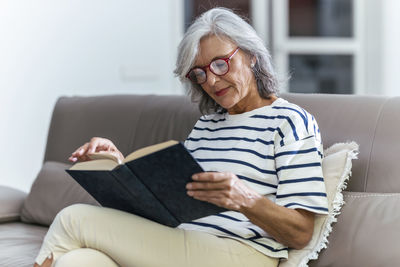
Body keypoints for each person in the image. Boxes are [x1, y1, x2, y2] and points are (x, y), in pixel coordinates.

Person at [34, 7, 328, 267]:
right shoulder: (206, 127)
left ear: (251, 56)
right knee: (77, 261)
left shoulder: (291, 121)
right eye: (198, 73)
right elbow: (169, 200)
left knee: (73, 219)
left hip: (243, 253)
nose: (211, 80)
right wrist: (117, 165)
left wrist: (245, 199)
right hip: (185, 244)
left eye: (220, 63)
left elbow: (301, 233)